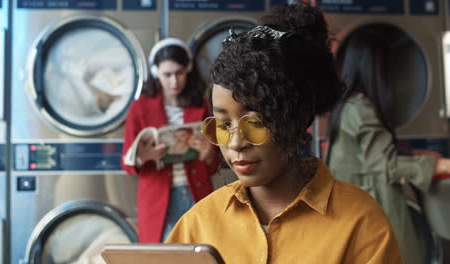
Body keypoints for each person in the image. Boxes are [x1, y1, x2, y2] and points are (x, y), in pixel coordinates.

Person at [166, 3, 402, 263]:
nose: (235, 143)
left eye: (254, 123)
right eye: (223, 125)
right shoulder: (198, 224)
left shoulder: (360, 221)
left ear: (298, 117)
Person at [326, 27, 450, 264]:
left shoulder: (347, 105)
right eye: (384, 66)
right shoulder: (361, 108)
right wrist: (441, 165)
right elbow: (386, 165)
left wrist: (419, 154)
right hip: (373, 208)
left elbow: (372, 155)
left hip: (353, 209)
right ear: (372, 66)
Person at [121, 37, 219, 242]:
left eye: (179, 73)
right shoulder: (140, 108)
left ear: (188, 70)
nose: (174, 81)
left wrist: (209, 152)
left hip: (197, 191)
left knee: (199, 252)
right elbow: (126, 163)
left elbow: (213, 165)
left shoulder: (201, 105)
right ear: (156, 72)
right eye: (167, 75)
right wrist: (142, 157)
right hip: (157, 198)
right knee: (162, 256)